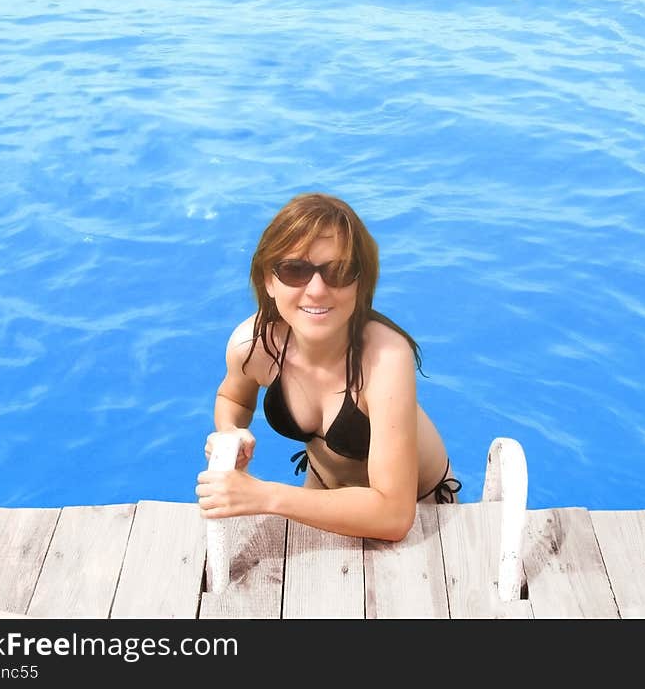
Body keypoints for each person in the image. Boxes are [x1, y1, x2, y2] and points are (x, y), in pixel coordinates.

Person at [195, 192, 460, 541]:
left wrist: (264, 496)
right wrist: (230, 431)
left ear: (360, 282)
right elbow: (234, 398)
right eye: (295, 270)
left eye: (338, 271)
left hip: (421, 513)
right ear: (269, 280)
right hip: (323, 488)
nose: (317, 290)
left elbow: (394, 517)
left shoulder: (385, 359)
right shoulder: (253, 344)